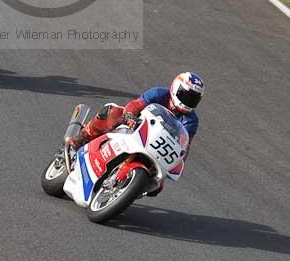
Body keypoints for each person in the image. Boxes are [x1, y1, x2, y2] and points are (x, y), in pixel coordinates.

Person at [67, 72, 205, 196]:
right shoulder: (158, 93)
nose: (188, 101)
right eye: (186, 96)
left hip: (156, 148)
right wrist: (130, 116)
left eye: (193, 99)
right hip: (134, 129)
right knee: (113, 113)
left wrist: (177, 161)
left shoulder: (191, 120)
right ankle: (82, 138)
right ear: (176, 89)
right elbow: (136, 104)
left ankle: (125, 190)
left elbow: (185, 146)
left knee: (157, 186)